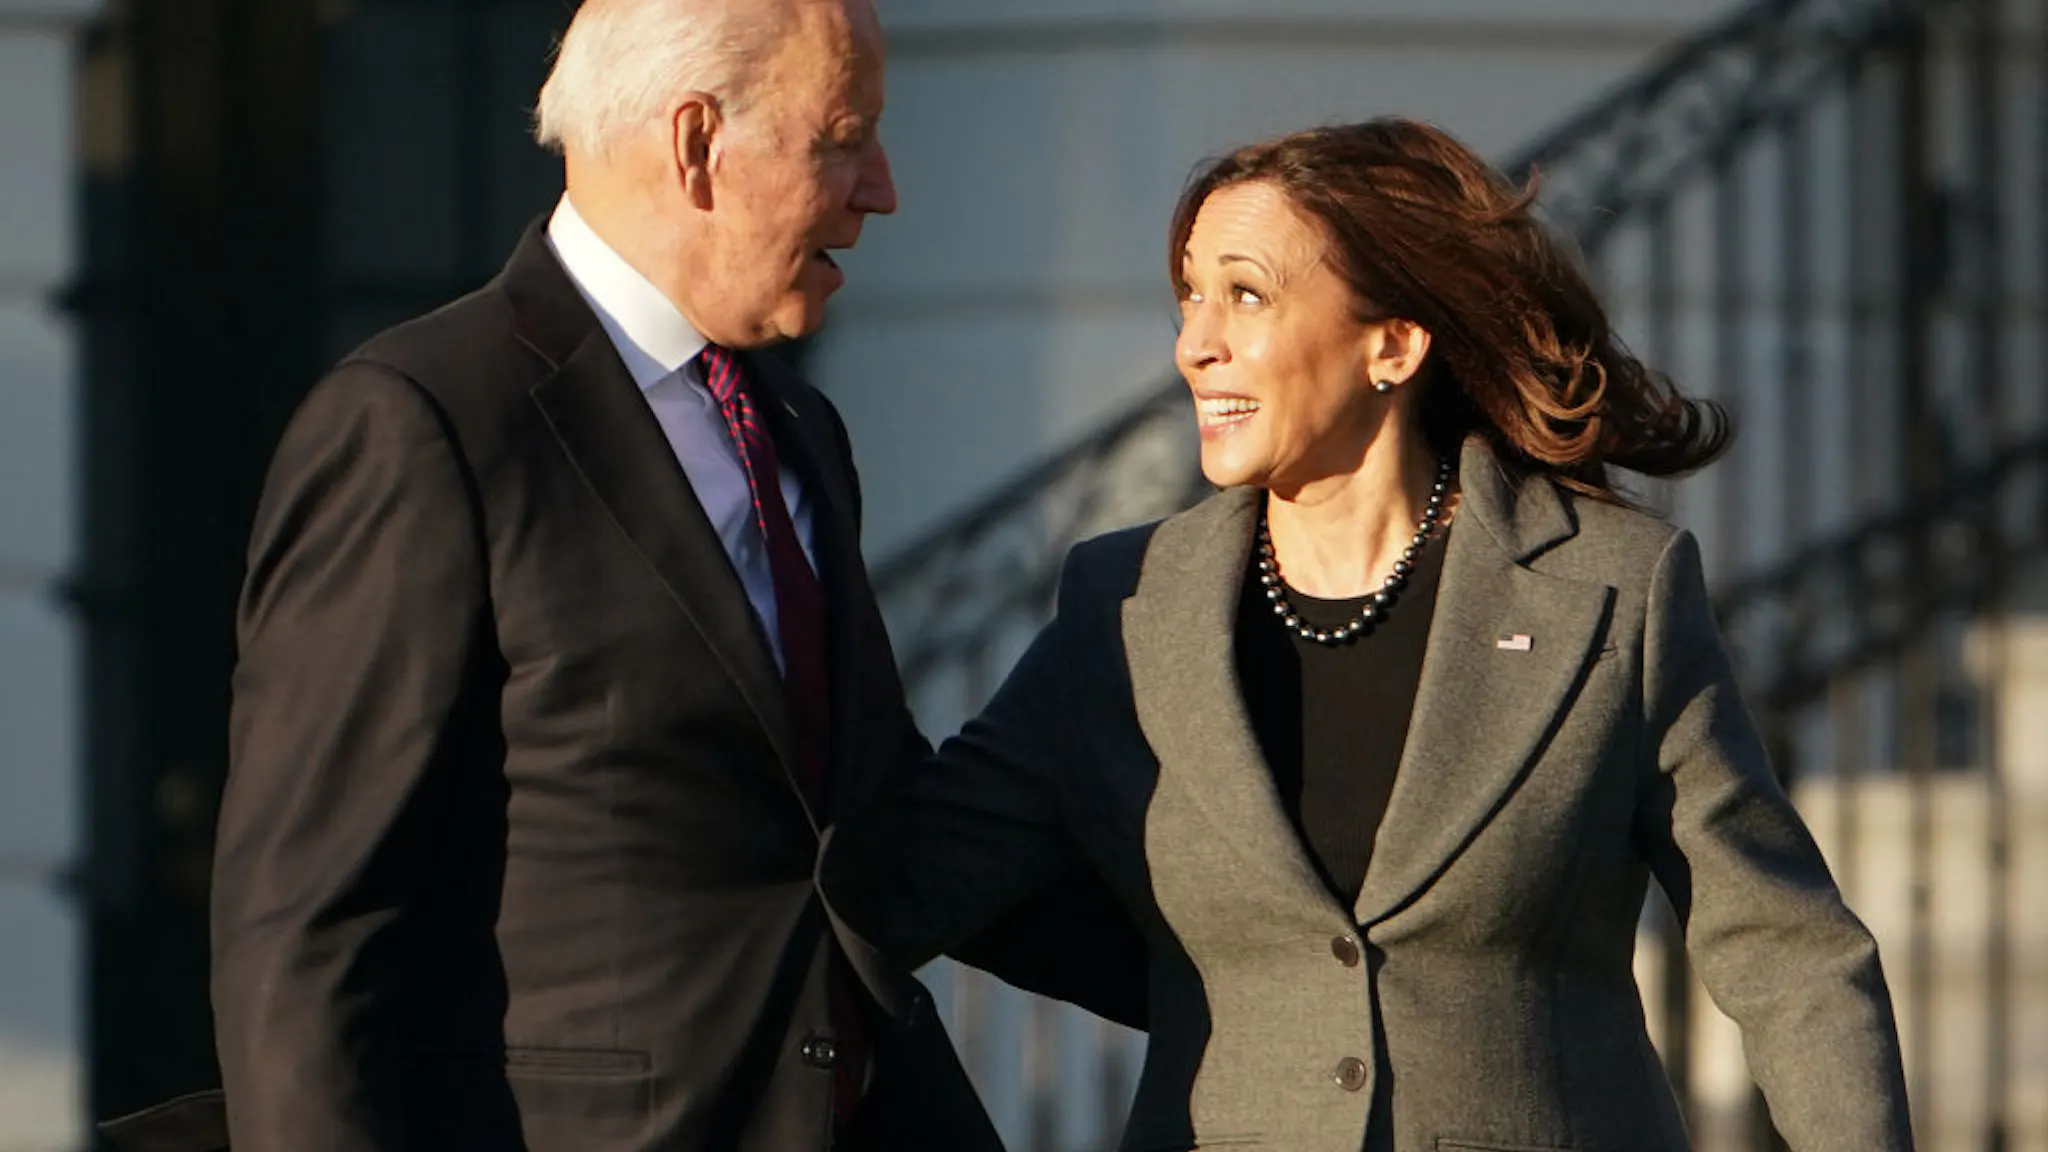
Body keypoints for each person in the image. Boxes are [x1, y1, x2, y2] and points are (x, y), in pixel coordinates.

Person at [825, 118, 1914, 1151]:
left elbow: (1782, 951)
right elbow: (917, 881)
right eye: (1187, 300)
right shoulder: (1122, 608)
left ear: (1391, 344)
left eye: (1243, 297)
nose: (1194, 347)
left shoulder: (1607, 590)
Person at [179, 1, 1141, 1150]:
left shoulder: (795, 427)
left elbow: (868, 824)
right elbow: (303, 924)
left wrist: (1263, 966)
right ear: (697, 146)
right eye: (842, 136)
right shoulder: (426, 420)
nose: (879, 188)